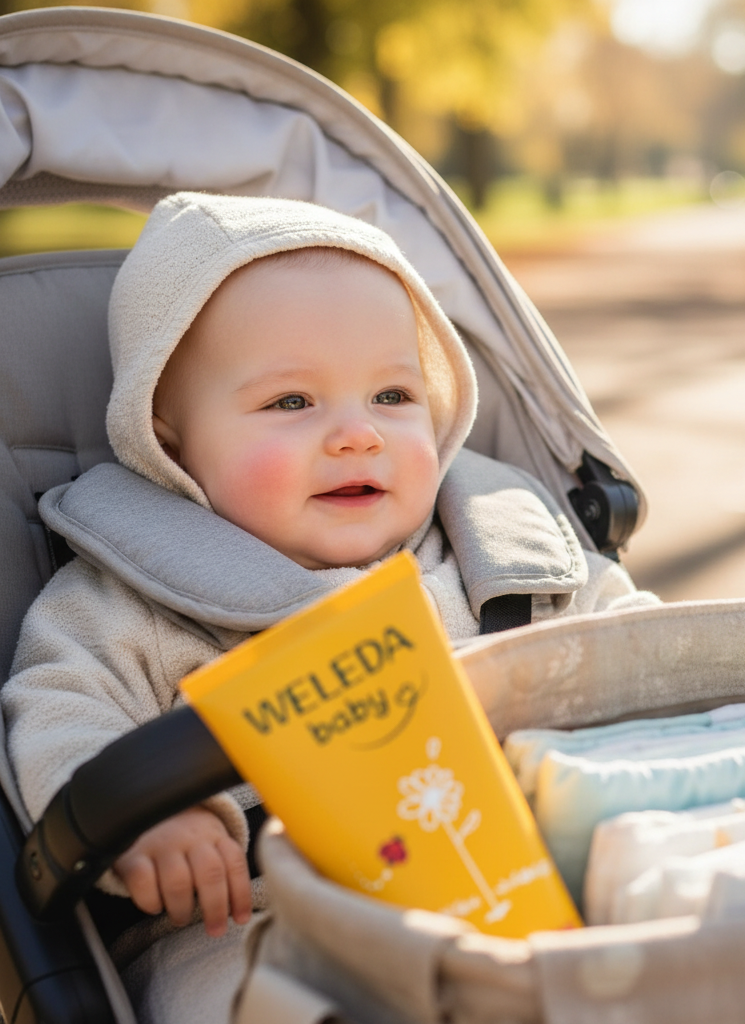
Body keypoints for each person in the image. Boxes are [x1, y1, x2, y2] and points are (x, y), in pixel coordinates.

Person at [1, 192, 657, 1021]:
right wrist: (147, 823)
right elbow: (59, 707)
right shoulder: (131, 602)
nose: (358, 434)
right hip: (253, 928)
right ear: (168, 444)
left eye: (393, 396)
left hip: (528, 880)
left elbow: (649, 650)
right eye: (292, 403)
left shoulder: (506, 558)